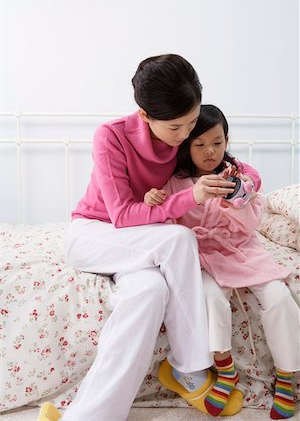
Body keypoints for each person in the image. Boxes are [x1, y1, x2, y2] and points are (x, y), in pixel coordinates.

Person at [37, 55, 261, 421]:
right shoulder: (110, 136)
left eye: (191, 122)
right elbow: (122, 215)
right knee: (177, 240)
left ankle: (86, 416)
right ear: (144, 116)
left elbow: (240, 166)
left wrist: (243, 184)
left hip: (143, 242)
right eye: (176, 128)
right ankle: (189, 366)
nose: (186, 135)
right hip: (96, 233)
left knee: (150, 292)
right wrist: (192, 196)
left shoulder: (183, 134)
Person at [144, 104, 300, 419]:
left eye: (217, 142)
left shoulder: (237, 178)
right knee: (210, 296)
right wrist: (153, 199)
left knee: (279, 296)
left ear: (227, 141)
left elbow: (250, 224)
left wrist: (234, 199)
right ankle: (226, 370)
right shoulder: (175, 180)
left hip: (242, 249)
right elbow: (164, 221)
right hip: (200, 254)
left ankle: (287, 378)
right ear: (186, 145)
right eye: (200, 145)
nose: (210, 151)